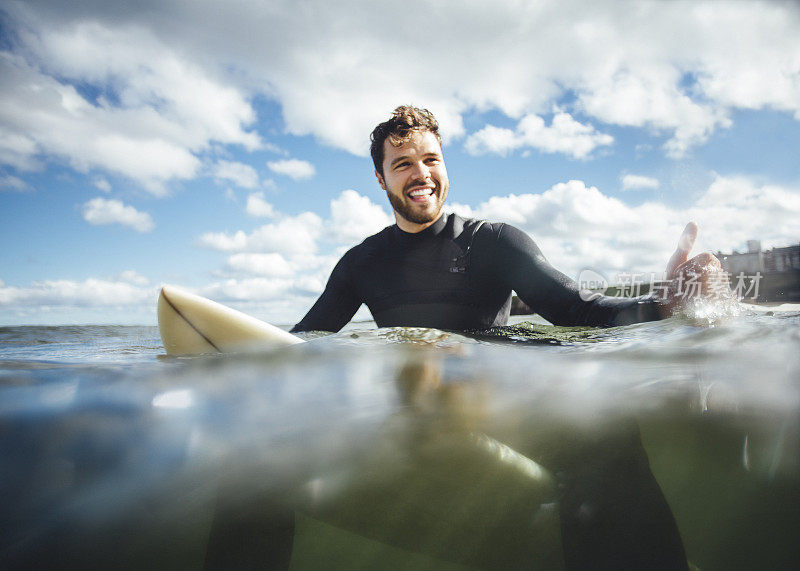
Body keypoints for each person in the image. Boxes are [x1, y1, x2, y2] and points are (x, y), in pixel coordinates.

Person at [292, 106, 721, 334]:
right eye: (402, 164)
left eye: (430, 159)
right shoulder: (361, 263)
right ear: (380, 179)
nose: (421, 173)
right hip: (417, 415)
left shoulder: (494, 242)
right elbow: (306, 338)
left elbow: (574, 307)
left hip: (493, 399)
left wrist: (664, 303)